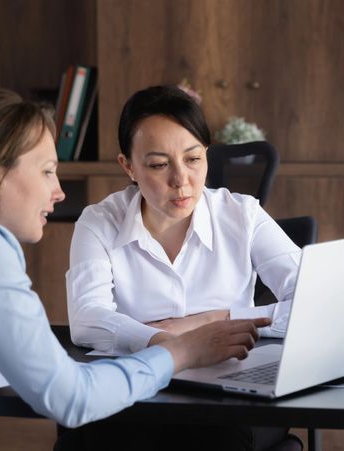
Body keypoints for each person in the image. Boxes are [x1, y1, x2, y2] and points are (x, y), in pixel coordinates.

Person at [0, 87, 270, 451]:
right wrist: (182, 352)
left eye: (193, 158)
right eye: (48, 171)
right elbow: (69, 397)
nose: (59, 191)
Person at [65, 85, 301, 450]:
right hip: (139, 387)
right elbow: (86, 319)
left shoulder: (243, 214)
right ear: (128, 166)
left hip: (231, 394)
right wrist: (171, 346)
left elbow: (314, 301)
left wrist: (214, 319)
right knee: (85, 436)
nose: (181, 180)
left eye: (193, 159)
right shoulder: (98, 223)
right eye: (159, 165)